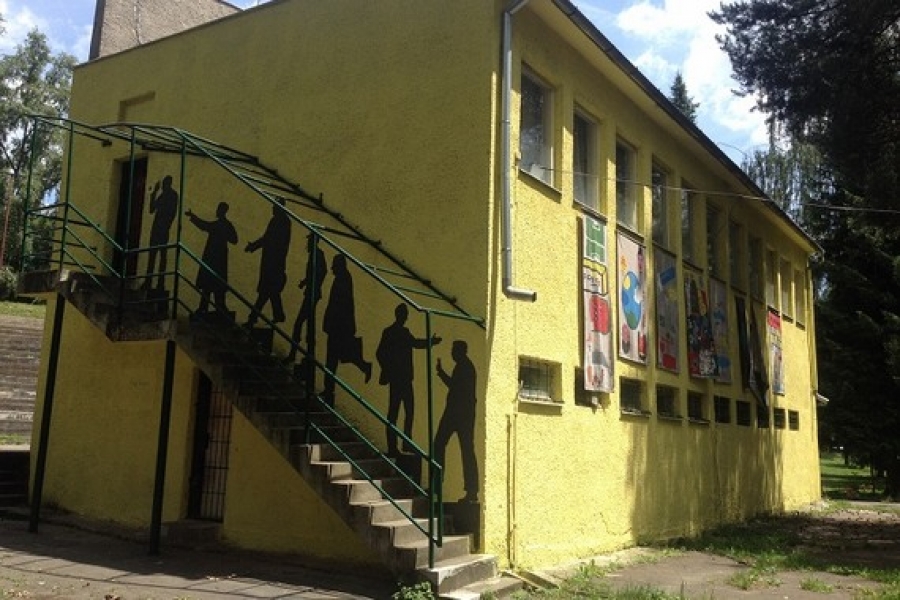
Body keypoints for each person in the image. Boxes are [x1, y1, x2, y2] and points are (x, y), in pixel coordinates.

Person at [376, 303, 441, 456]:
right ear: (400, 315)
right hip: (399, 379)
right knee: (398, 412)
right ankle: (396, 446)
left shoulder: (400, 332)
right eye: (404, 315)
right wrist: (389, 369)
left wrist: (430, 342)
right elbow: (380, 353)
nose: (405, 318)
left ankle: (403, 443)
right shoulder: (393, 332)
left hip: (404, 379)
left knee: (405, 411)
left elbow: (415, 343)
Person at [321, 254, 372, 405]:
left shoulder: (342, 280)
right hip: (340, 328)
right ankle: (364, 366)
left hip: (338, 328)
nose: (332, 269)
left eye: (334, 266)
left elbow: (337, 306)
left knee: (332, 360)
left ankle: (329, 390)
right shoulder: (344, 278)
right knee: (342, 356)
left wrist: (329, 323)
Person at [434, 340, 478, 503]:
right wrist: (442, 373)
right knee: (463, 449)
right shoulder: (464, 366)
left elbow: (455, 386)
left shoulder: (465, 367)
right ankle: (469, 490)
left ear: (460, 351)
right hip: (459, 414)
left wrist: (441, 373)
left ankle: (469, 490)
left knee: (458, 448)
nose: (452, 353)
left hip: (458, 414)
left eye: (454, 350)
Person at [244, 200, 291, 328]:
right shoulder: (282, 221)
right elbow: (268, 239)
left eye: (274, 206)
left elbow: (268, 239)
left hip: (272, 263)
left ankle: (253, 318)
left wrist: (253, 246)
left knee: (266, 292)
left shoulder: (279, 222)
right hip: (274, 263)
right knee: (270, 292)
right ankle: (277, 314)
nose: (272, 209)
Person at [186, 202, 238, 316]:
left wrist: (193, 217)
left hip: (212, 257)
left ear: (222, 211)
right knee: (216, 284)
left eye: (219, 209)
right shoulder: (226, 225)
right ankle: (218, 307)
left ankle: (206, 307)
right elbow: (234, 239)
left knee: (209, 283)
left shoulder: (219, 225)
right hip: (219, 258)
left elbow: (205, 226)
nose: (217, 211)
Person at [285, 233, 327, 365]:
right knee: (308, 325)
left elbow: (322, 272)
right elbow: (315, 273)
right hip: (310, 293)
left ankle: (295, 354)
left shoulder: (318, 254)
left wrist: (314, 285)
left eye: (309, 241)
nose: (307, 244)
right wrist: (305, 282)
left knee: (300, 323)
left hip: (312, 294)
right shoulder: (314, 254)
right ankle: (306, 354)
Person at [144, 175, 178, 290]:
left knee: (162, 256)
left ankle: (160, 283)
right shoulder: (162, 195)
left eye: (165, 184)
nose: (163, 186)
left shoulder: (172, 195)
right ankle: (149, 281)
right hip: (156, 228)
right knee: (153, 255)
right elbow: (151, 209)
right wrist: (154, 193)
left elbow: (172, 213)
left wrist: (166, 226)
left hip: (163, 228)